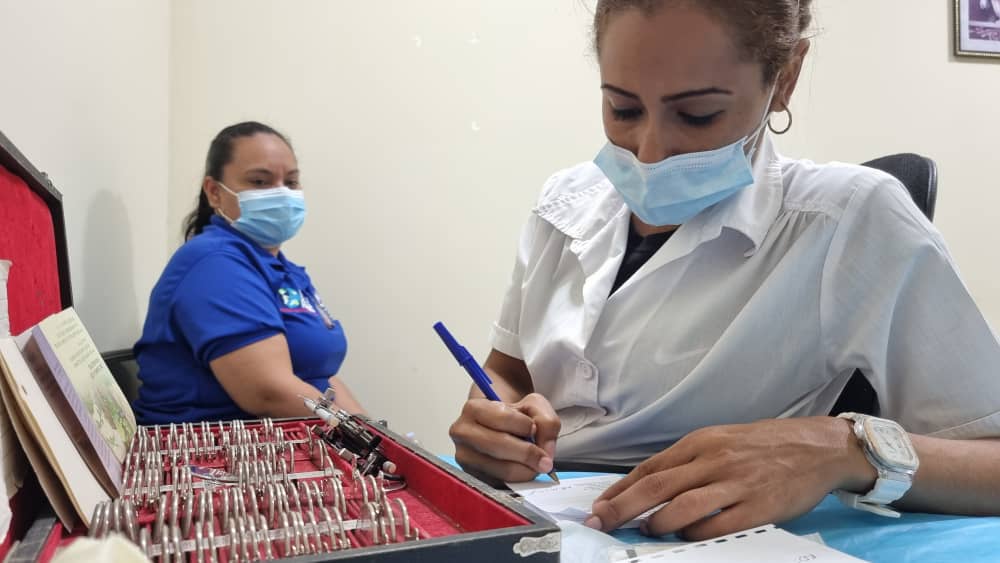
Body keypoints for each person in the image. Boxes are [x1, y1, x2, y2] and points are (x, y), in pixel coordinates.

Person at [449, 0, 1000, 542]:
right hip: (531, 518)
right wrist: (493, 421)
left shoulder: (850, 219)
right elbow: (509, 372)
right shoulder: (563, 202)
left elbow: (990, 461)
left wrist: (840, 448)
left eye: (698, 115)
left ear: (785, 78)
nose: (649, 153)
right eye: (623, 109)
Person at [133, 121, 363, 424]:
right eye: (259, 181)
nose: (281, 193)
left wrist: (379, 436)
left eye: (291, 182)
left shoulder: (283, 270)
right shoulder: (215, 264)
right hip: (217, 445)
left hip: (293, 436)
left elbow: (323, 376)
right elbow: (268, 393)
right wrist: (360, 440)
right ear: (214, 192)